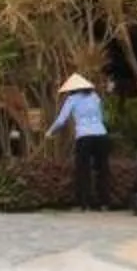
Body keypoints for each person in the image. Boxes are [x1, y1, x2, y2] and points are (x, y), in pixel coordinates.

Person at [44, 71, 112, 211]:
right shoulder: (95, 97)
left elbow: (61, 120)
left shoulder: (72, 100)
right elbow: (101, 117)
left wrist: (50, 132)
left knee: (83, 170)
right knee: (102, 169)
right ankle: (104, 203)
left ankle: (84, 204)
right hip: (101, 135)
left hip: (84, 136)